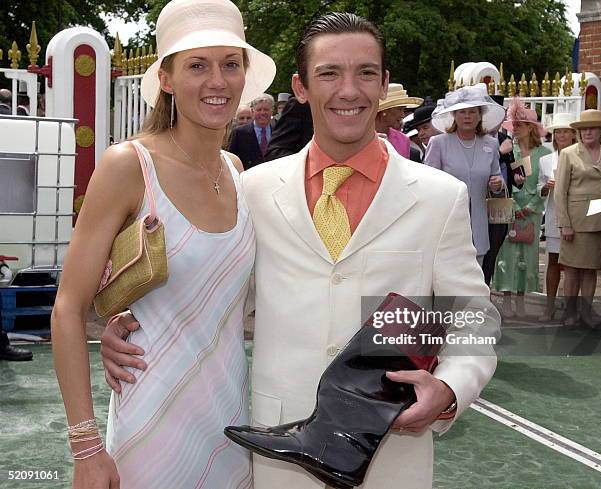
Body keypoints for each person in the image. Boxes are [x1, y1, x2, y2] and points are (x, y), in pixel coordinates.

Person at [101, 12, 500, 489]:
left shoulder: (439, 197)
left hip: (390, 455)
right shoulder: (253, 189)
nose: (348, 91)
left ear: (384, 83)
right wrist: (131, 325)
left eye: (365, 73)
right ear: (302, 85)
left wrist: (450, 389)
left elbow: (473, 319)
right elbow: (215, 295)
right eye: (330, 73)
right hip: (277, 458)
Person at [51, 0, 275, 488]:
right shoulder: (128, 166)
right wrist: (87, 450)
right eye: (197, 65)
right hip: (150, 425)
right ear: (167, 79)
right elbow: (67, 307)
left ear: (244, 75)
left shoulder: (238, 174)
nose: (217, 81)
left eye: (230, 64)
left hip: (231, 425)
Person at [424, 84, 505, 267]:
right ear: (454, 115)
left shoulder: (490, 144)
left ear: (480, 115)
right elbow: (427, 183)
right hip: (447, 222)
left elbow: (496, 177)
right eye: (462, 112)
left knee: (476, 278)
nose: (467, 116)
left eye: (472, 112)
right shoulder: (438, 143)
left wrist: (497, 184)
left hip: (478, 222)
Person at [493, 98, 551, 318]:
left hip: (533, 211)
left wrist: (532, 206)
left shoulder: (543, 154)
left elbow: (547, 181)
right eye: (513, 125)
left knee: (527, 256)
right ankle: (506, 301)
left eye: (519, 125)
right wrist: (515, 205)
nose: (515, 129)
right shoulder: (511, 151)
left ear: (531, 128)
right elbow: (506, 179)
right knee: (507, 255)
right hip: (510, 208)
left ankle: (521, 301)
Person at [555, 109, 601, 326]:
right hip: (575, 222)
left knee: (591, 269)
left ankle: (586, 313)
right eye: (583, 129)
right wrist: (565, 224)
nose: (587, 132)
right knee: (572, 269)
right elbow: (559, 192)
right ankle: (569, 313)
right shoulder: (569, 153)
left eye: (592, 128)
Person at [482, 94, 525, 286]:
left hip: (502, 202)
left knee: (495, 247)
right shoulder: (478, 138)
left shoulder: (505, 138)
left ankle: (487, 287)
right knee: (482, 248)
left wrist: (519, 177)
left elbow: (518, 170)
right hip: (482, 201)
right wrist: (500, 153)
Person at [537, 113, 576, 321]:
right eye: (558, 131)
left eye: (566, 131)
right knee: (553, 260)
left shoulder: (580, 156)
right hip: (554, 217)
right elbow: (538, 189)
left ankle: (572, 308)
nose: (561, 135)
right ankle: (549, 306)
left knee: (574, 264)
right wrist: (546, 187)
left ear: (573, 134)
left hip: (577, 217)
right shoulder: (545, 160)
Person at [374, 83, 422, 160]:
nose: (403, 115)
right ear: (385, 110)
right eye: (399, 109)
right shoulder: (361, 137)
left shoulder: (403, 140)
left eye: (404, 110)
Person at [228, 93, 274, 169]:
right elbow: (232, 159)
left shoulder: (278, 130)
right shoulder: (239, 133)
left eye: (266, 109)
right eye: (259, 110)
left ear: (272, 111)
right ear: (252, 111)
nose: (262, 113)